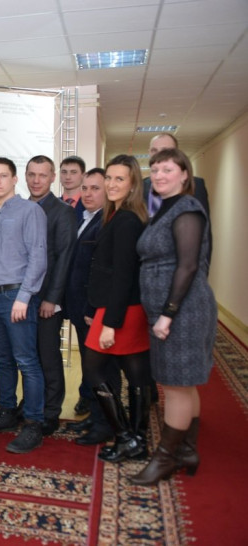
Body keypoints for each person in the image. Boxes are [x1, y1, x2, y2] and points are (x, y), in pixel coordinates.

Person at [130, 148, 216, 485]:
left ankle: (164, 458)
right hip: (170, 309)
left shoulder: (187, 209)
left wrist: (168, 314)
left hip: (183, 310)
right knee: (184, 383)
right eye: (155, 169)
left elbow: (188, 265)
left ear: (185, 175)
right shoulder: (166, 208)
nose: (159, 175)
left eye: (168, 169)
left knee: (176, 387)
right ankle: (187, 451)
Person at [0, 158, 47, 454]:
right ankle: (6, 411)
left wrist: (24, 297)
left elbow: (38, 257)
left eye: (3, 176)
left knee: (26, 361)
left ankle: (33, 423)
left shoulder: (31, 211)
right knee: (2, 359)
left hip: (16, 296)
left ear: (15, 179)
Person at [82, 154, 152, 464]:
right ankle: (138, 441)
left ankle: (125, 436)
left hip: (119, 309)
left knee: (93, 369)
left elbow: (124, 274)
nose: (111, 184)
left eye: (119, 179)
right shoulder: (121, 215)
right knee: (136, 374)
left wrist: (110, 322)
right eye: (109, 178)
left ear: (133, 184)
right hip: (124, 307)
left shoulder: (126, 221)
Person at [63, 169, 121, 445]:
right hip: (80, 309)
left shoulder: (107, 222)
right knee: (91, 368)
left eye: (95, 188)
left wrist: (91, 308)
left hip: (93, 310)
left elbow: (103, 273)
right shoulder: (85, 218)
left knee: (103, 370)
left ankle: (107, 424)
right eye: (84, 188)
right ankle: (96, 415)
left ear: (106, 191)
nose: (87, 193)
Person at [26, 156, 77, 436]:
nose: (36, 180)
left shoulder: (62, 212)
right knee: (28, 356)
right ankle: (31, 404)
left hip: (46, 299)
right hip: (23, 298)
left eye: (42, 175)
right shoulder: (22, 208)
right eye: (32, 174)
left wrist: (53, 299)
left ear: (52, 178)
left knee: (47, 356)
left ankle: (51, 412)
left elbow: (64, 258)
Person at [143, 133, 212, 263]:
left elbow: (204, 234)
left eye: (165, 150)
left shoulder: (196, 186)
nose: (159, 155)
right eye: (154, 150)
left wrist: (203, 268)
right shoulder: (141, 187)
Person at [59, 156, 87, 223]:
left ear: (83, 175)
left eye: (73, 172)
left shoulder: (89, 205)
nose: (68, 177)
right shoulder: (51, 205)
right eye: (64, 172)